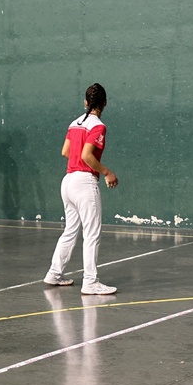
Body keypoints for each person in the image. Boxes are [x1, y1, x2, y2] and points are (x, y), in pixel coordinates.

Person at [44, 83, 119, 295]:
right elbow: (87, 155)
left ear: (86, 102)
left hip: (68, 181)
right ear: (104, 103)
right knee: (92, 233)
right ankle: (90, 282)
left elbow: (65, 152)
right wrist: (107, 172)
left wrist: (79, 163)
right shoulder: (98, 126)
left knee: (70, 230)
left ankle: (54, 273)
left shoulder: (74, 123)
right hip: (84, 183)